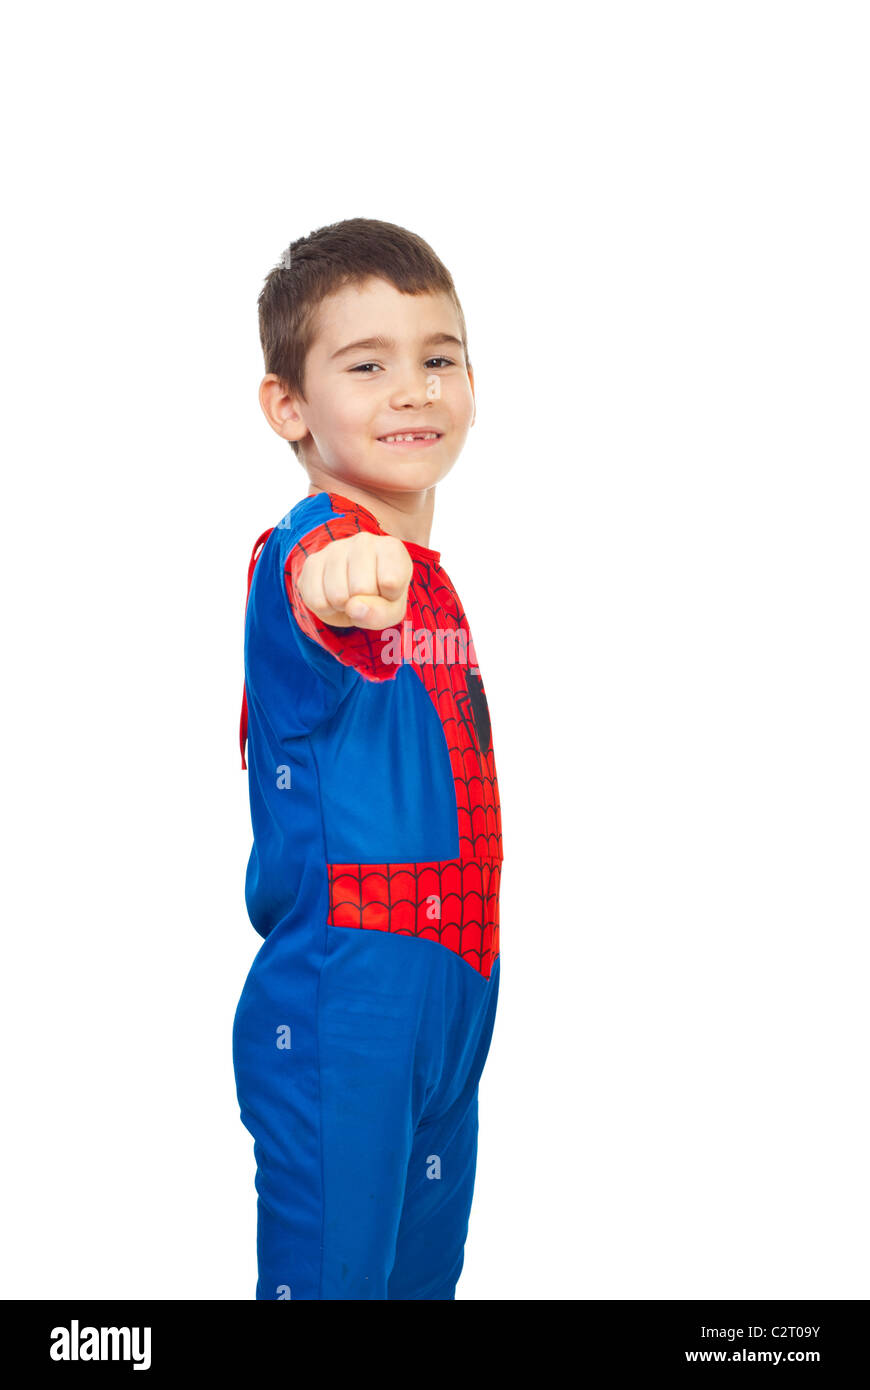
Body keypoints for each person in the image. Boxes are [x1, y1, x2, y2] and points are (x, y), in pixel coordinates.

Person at [232, 217, 503, 1300]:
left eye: (439, 358)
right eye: (367, 364)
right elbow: (322, 581)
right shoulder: (312, 552)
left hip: (458, 989)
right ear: (288, 406)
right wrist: (342, 578)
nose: (414, 389)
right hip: (350, 993)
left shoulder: (432, 579)